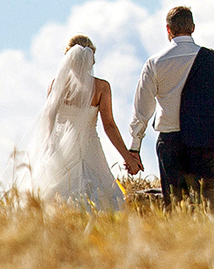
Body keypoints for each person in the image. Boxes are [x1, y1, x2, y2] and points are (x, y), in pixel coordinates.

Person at [129, 5, 214, 209]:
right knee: (210, 206)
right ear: (193, 27)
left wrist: (134, 148)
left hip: (170, 141)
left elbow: (142, 109)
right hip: (205, 141)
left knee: (174, 206)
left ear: (168, 29)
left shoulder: (154, 63)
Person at [15, 35, 142, 210]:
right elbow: (109, 125)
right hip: (90, 148)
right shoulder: (102, 87)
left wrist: (45, 148)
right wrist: (128, 157)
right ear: (91, 58)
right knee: (104, 197)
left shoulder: (55, 85)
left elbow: (48, 120)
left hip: (59, 149)